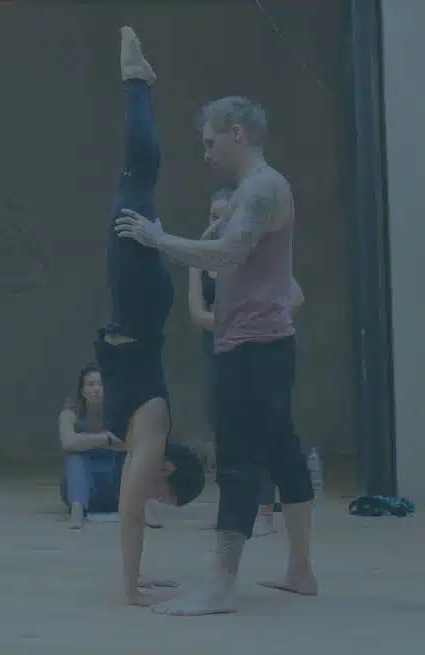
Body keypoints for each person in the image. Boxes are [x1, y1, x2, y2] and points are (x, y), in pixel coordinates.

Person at [115, 95, 319, 616]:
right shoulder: (257, 191)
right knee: (283, 451)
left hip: (252, 348)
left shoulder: (263, 189)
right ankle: (300, 570)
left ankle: (221, 584)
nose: (205, 153)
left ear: (236, 133)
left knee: (238, 461)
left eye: (209, 141)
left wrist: (159, 239)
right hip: (262, 346)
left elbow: (228, 255)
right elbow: (233, 249)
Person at [95, 26, 206, 606]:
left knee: (133, 183)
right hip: (139, 304)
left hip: (133, 306)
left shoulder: (144, 437)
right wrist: (133, 589)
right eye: (165, 495)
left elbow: (136, 509)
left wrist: (140, 582)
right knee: (137, 180)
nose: (153, 498)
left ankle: (141, 83)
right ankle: (136, 79)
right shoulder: (153, 436)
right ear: (168, 475)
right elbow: (130, 514)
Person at [188, 187, 307, 538]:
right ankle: (231, 514)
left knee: (265, 429)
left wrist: (256, 319)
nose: (217, 221)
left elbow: (296, 297)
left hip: (256, 348)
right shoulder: (201, 258)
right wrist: (229, 321)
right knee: (224, 430)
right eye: (212, 215)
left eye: (224, 214)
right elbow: (197, 313)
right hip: (216, 350)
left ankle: (265, 511)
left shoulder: (256, 252)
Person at [58, 364, 127, 529]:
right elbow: (68, 442)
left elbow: (131, 443)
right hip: (83, 489)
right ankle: (77, 513)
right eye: (91, 384)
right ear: (82, 391)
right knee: (73, 456)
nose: (97, 389)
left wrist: (84, 441)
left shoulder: (120, 411)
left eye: (101, 384)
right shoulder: (70, 413)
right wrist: (106, 439)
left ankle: (143, 509)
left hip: (115, 489)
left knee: (131, 457)